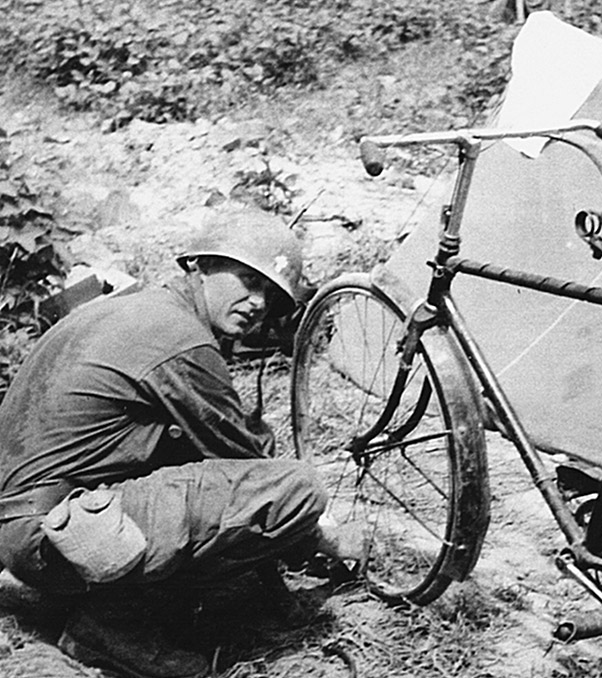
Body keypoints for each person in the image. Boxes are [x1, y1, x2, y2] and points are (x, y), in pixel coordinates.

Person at [0, 208, 357, 678]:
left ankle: (104, 604)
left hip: (28, 522)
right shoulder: (181, 340)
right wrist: (326, 535)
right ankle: (112, 628)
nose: (257, 302)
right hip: (55, 536)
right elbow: (247, 462)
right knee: (299, 488)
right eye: (247, 280)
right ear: (201, 266)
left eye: (269, 295)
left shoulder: (134, 307)